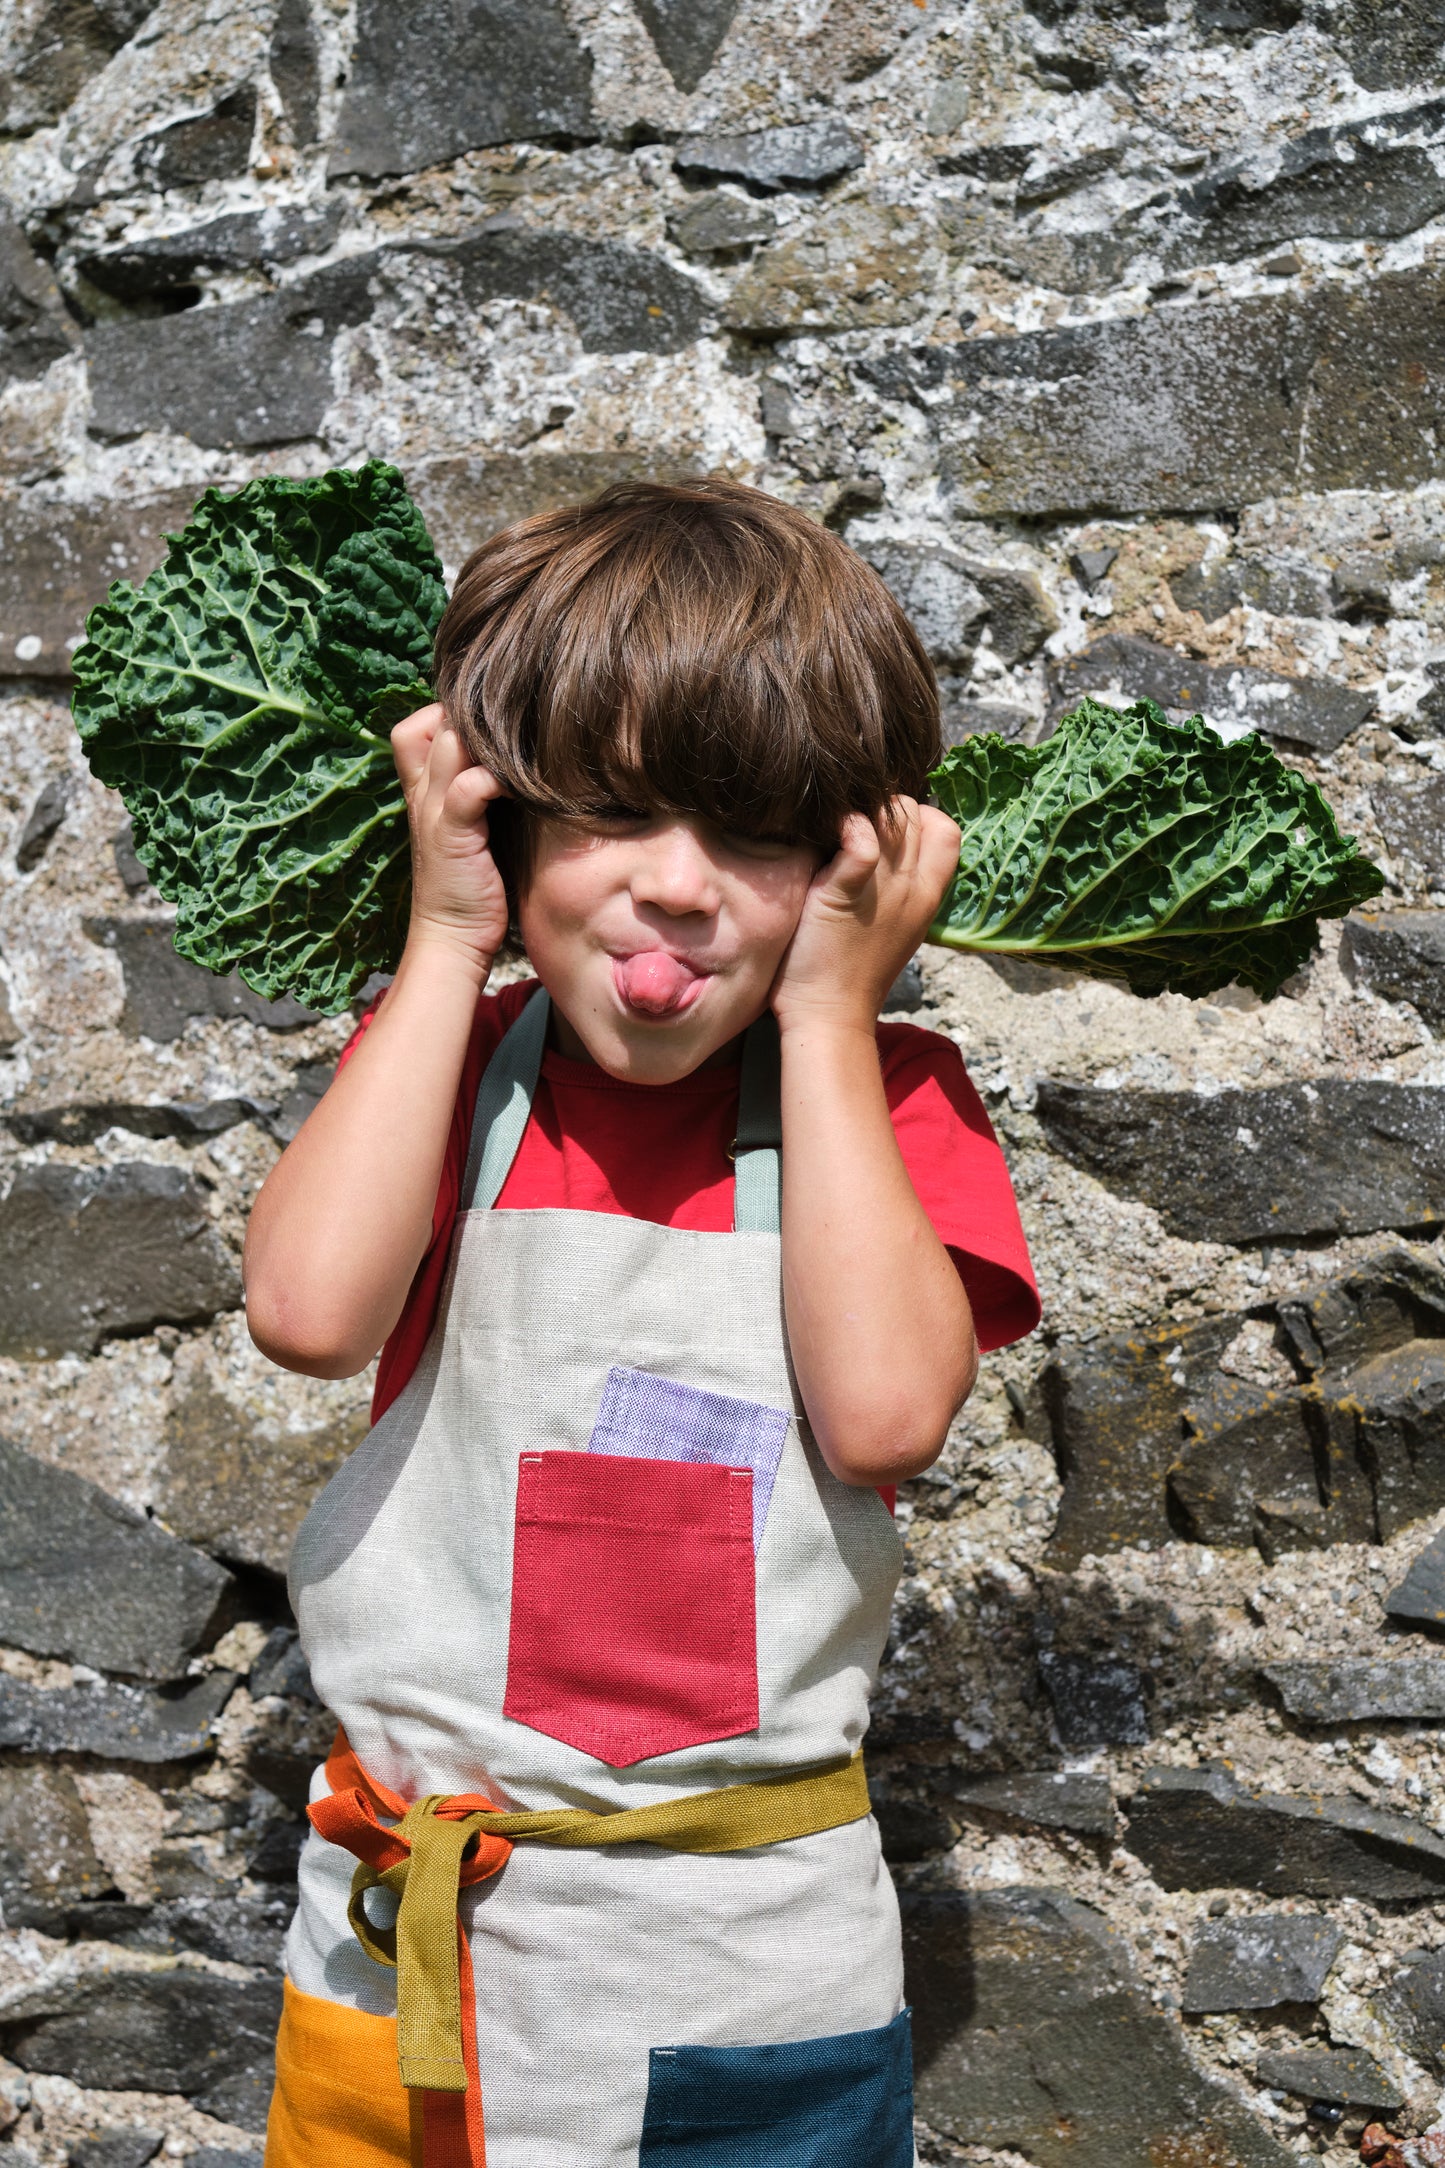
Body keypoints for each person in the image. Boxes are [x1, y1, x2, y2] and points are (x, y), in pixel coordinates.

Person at [245, 476, 1040, 2168]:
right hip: (409, 1956)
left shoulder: (890, 1109)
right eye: (603, 809)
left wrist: (834, 1013)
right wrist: (445, 935)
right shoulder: (444, 1076)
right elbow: (309, 1316)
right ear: (499, 818)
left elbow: (888, 1416)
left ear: (851, 857)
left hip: (735, 1958)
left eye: (753, 836)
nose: (675, 889)